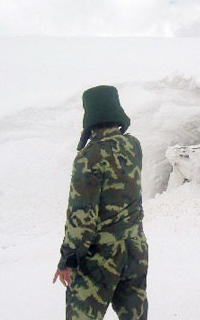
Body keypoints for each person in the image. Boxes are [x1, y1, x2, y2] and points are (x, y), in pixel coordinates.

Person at [53, 85, 148, 320]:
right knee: (134, 314)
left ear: (90, 117)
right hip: (136, 248)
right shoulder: (133, 145)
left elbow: (82, 216)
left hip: (101, 256)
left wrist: (68, 258)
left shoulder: (88, 158)